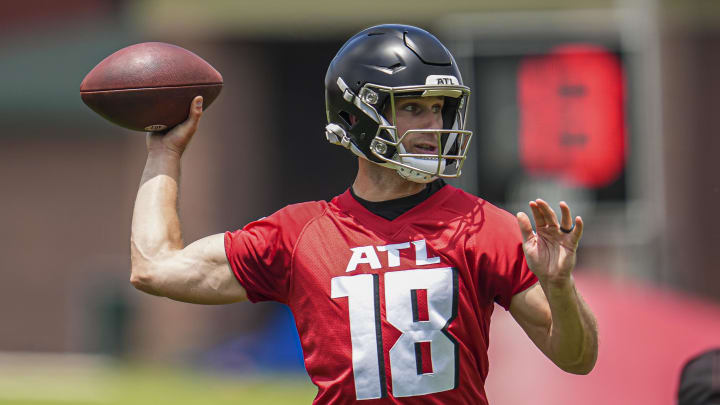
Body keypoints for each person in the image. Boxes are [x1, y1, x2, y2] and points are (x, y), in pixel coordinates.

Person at [130, 24, 598, 404]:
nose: (433, 125)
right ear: (356, 116)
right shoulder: (298, 234)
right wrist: (164, 153)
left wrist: (560, 288)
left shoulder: (485, 226)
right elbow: (155, 268)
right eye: (412, 107)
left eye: (439, 109)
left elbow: (577, 358)